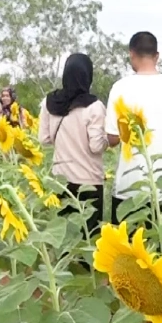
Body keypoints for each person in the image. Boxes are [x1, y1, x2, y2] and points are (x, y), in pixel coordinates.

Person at [105, 31, 162, 226]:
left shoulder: (120, 88)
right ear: (156, 56)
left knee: (126, 242)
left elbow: (112, 138)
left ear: (131, 54)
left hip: (130, 183)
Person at [40, 53, 109, 242]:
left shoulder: (49, 103)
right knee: (89, 239)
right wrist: (109, 139)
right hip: (88, 180)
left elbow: (44, 139)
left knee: (65, 238)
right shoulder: (94, 106)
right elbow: (96, 146)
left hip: (61, 180)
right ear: (88, 76)